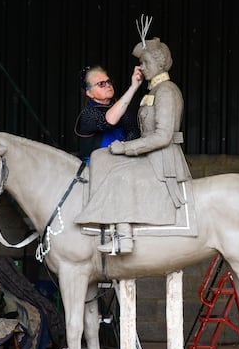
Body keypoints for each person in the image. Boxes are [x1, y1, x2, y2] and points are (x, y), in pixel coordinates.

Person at [74, 37, 191, 254]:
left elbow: (160, 136)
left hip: (158, 158)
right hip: (134, 157)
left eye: (145, 63)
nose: (141, 68)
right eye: (101, 84)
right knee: (105, 163)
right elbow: (114, 120)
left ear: (159, 64)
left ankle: (124, 237)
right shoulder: (91, 113)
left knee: (119, 175)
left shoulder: (165, 91)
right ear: (88, 93)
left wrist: (127, 149)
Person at [74, 65, 143, 163]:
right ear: (89, 93)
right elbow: (109, 120)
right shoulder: (87, 115)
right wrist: (133, 87)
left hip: (124, 164)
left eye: (108, 81)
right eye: (101, 84)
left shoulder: (123, 106)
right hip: (95, 169)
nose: (108, 85)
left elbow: (134, 134)